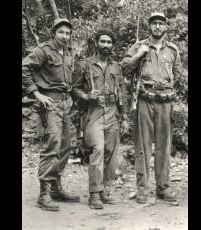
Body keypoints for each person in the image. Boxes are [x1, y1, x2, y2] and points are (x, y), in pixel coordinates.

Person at [121, 12, 183, 204]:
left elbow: (178, 74)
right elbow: (124, 68)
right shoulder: (139, 46)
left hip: (165, 102)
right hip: (145, 101)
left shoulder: (172, 50)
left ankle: (163, 188)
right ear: (149, 26)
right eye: (154, 23)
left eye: (161, 24)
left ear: (165, 27)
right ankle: (142, 189)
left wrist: (165, 87)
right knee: (142, 147)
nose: (157, 27)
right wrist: (139, 56)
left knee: (164, 147)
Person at [22, 18, 80, 212]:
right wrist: (37, 94)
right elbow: (24, 69)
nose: (65, 36)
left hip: (66, 103)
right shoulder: (43, 50)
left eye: (67, 33)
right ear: (54, 32)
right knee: (52, 145)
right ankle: (44, 193)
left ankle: (56, 187)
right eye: (61, 32)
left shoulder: (70, 52)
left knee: (66, 145)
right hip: (50, 102)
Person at [72, 29, 129, 209]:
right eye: (102, 41)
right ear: (96, 43)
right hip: (93, 111)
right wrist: (87, 96)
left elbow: (123, 93)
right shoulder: (84, 65)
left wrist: (125, 116)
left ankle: (104, 189)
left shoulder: (116, 66)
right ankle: (94, 194)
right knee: (97, 149)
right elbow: (73, 89)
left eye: (109, 42)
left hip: (113, 112)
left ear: (112, 45)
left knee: (111, 152)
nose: (106, 45)